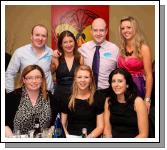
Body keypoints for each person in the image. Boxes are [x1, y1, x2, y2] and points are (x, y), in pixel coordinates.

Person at [5, 65, 57, 137]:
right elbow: (5, 124)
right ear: (24, 80)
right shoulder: (12, 97)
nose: (34, 81)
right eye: (29, 78)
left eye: (37, 77)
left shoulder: (51, 98)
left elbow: (54, 125)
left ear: (42, 79)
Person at [117, 16, 153, 111]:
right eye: (122, 28)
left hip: (138, 88)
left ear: (135, 28)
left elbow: (149, 75)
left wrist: (147, 99)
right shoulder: (120, 48)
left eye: (129, 27)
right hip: (122, 88)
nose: (125, 30)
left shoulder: (144, 48)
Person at [78, 18, 119, 98]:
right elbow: (70, 54)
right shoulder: (84, 47)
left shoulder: (115, 49)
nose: (98, 33)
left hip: (108, 93)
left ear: (106, 31)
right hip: (87, 91)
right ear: (91, 32)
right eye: (95, 30)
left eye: (101, 30)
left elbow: (120, 72)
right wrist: (57, 53)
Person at [5, 24, 54, 93]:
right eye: (37, 35)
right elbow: (10, 73)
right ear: (31, 36)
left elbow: (51, 71)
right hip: (26, 95)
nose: (40, 38)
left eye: (43, 36)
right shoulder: (20, 52)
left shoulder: (50, 52)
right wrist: (10, 93)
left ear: (46, 38)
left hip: (47, 94)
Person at [61, 65, 105, 137]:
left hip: (91, 138)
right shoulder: (66, 97)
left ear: (91, 79)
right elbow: (62, 124)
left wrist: (88, 138)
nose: (83, 80)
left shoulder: (98, 97)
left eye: (86, 77)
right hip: (71, 138)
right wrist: (68, 137)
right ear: (75, 79)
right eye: (79, 77)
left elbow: (100, 127)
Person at [103, 68, 149, 138]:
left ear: (127, 84)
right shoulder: (109, 100)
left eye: (120, 81)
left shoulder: (138, 102)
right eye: (113, 81)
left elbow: (143, 134)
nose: (116, 84)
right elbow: (107, 130)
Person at [51, 30, 84, 113]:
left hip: (76, 95)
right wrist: (51, 56)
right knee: (59, 123)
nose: (68, 45)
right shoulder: (56, 59)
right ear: (61, 45)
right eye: (65, 42)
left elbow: (83, 78)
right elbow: (48, 73)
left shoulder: (80, 58)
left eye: (71, 41)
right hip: (59, 96)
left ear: (74, 42)